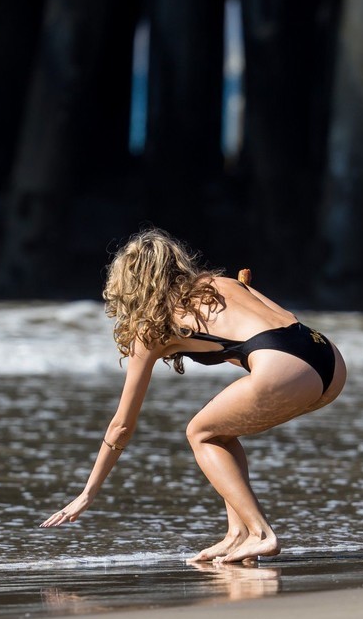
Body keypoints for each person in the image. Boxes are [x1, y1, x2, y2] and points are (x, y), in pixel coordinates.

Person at [40, 229, 346, 563]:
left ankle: (261, 533)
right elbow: (280, 323)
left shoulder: (150, 330)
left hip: (286, 367)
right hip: (327, 357)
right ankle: (237, 534)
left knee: (199, 432)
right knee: (221, 433)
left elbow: (121, 426)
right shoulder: (225, 284)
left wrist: (88, 493)